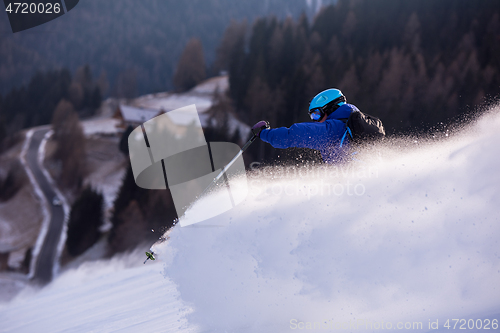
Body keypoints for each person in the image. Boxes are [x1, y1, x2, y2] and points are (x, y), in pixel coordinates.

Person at [251, 88, 359, 164]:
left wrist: (264, 133)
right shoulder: (353, 125)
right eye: (313, 116)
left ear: (331, 108)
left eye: (317, 114)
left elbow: (294, 135)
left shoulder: (334, 129)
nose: (316, 121)